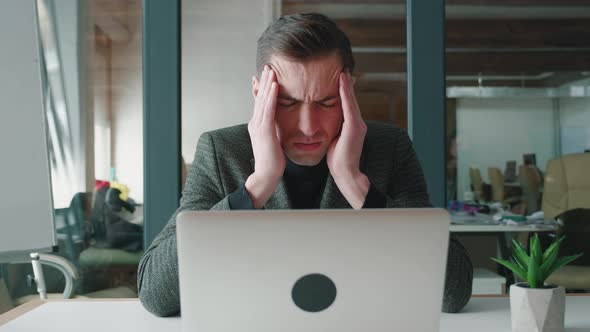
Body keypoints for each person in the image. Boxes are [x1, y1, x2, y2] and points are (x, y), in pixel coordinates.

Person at [138, 13, 473, 317]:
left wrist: (355, 184)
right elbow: (156, 294)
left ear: (349, 93)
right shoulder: (222, 150)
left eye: (327, 102)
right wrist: (257, 185)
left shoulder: (390, 148)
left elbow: (454, 291)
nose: (309, 126)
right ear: (259, 94)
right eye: (287, 103)